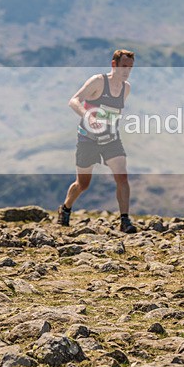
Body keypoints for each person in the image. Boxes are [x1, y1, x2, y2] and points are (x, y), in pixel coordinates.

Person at [58, 49, 138, 233]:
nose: (127, 71)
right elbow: (74, 100)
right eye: (124, 67)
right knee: (83, 184)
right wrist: (88, 117)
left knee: (122, 176)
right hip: (88, 139)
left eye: (130, 68)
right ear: (114, 65)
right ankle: (66, 208)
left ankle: (124, 221)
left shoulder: (127, 88)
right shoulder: (98, 81)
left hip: (111, 138)